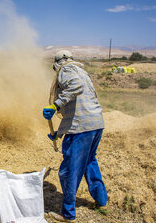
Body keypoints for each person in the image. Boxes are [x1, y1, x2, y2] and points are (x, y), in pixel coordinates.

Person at [43, 50, 108, 222]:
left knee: (69, 170)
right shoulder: (82, 71)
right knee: (89, 162)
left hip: (81, 129)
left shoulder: (65, 69)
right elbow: (77, 108)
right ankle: (101, 200)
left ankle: (68, 214)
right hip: (95, 124)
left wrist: (55, 105)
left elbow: (75, 86)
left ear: (57, 63)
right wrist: (59, 133)